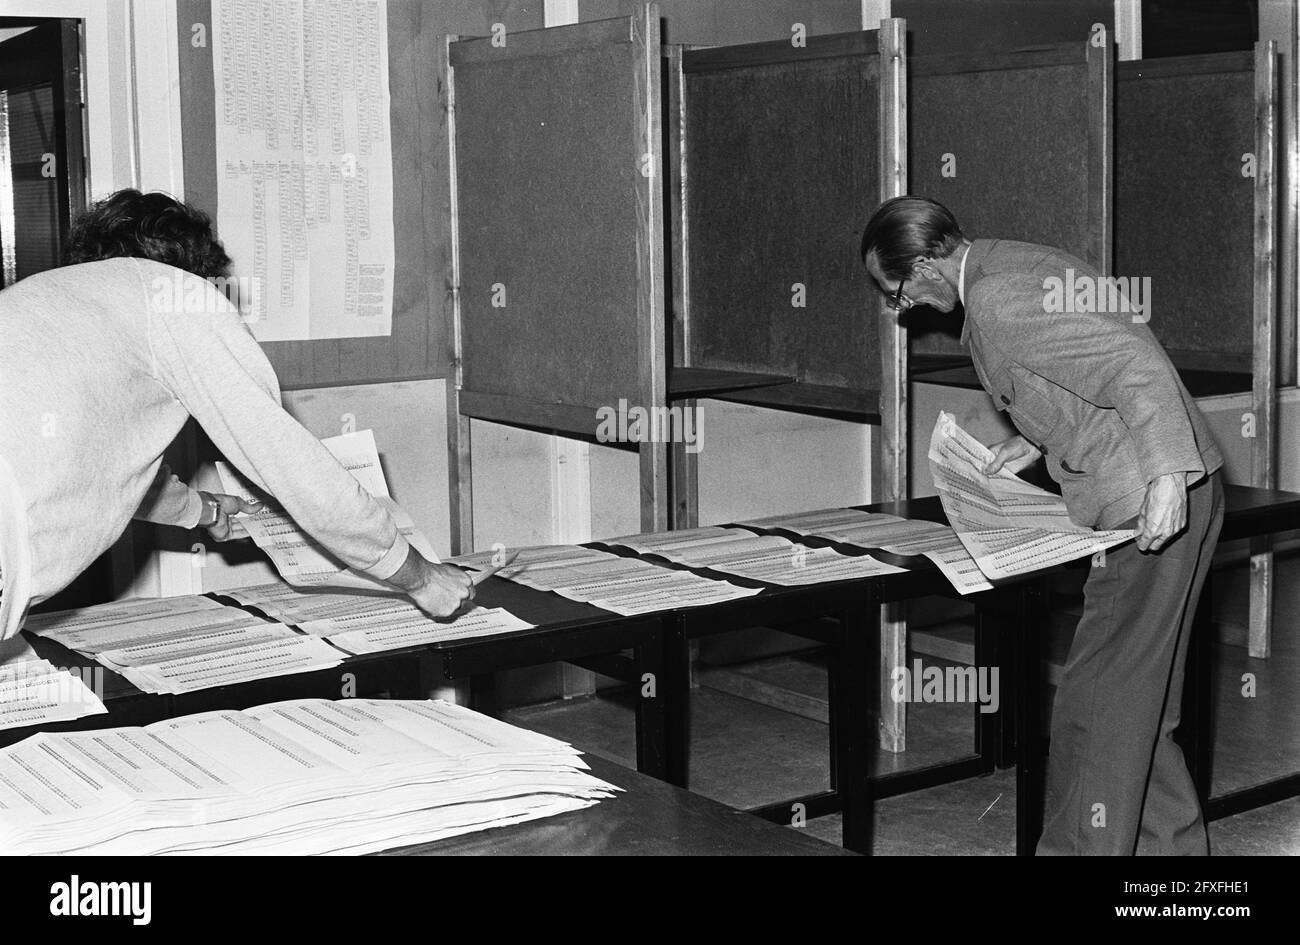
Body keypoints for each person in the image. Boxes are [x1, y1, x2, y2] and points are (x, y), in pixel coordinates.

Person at [860, 196, 1224, 856]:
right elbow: (1078, 366)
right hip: (1179, 488)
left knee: (1097, 709)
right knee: (1140, 704)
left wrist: (1166, 477)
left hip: (1150, 504)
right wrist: (1034, 442)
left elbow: (1132, 364)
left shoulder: (998, 302)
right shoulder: (1009, 264)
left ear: (923, 265)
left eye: (896, 288)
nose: (899, 306)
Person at [0, 189, 473, 639]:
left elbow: (100, 463)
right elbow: (287, 461)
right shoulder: (172, 294)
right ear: (194, 270)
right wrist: (419, 577)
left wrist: (199, 509)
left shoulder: (42, 297)